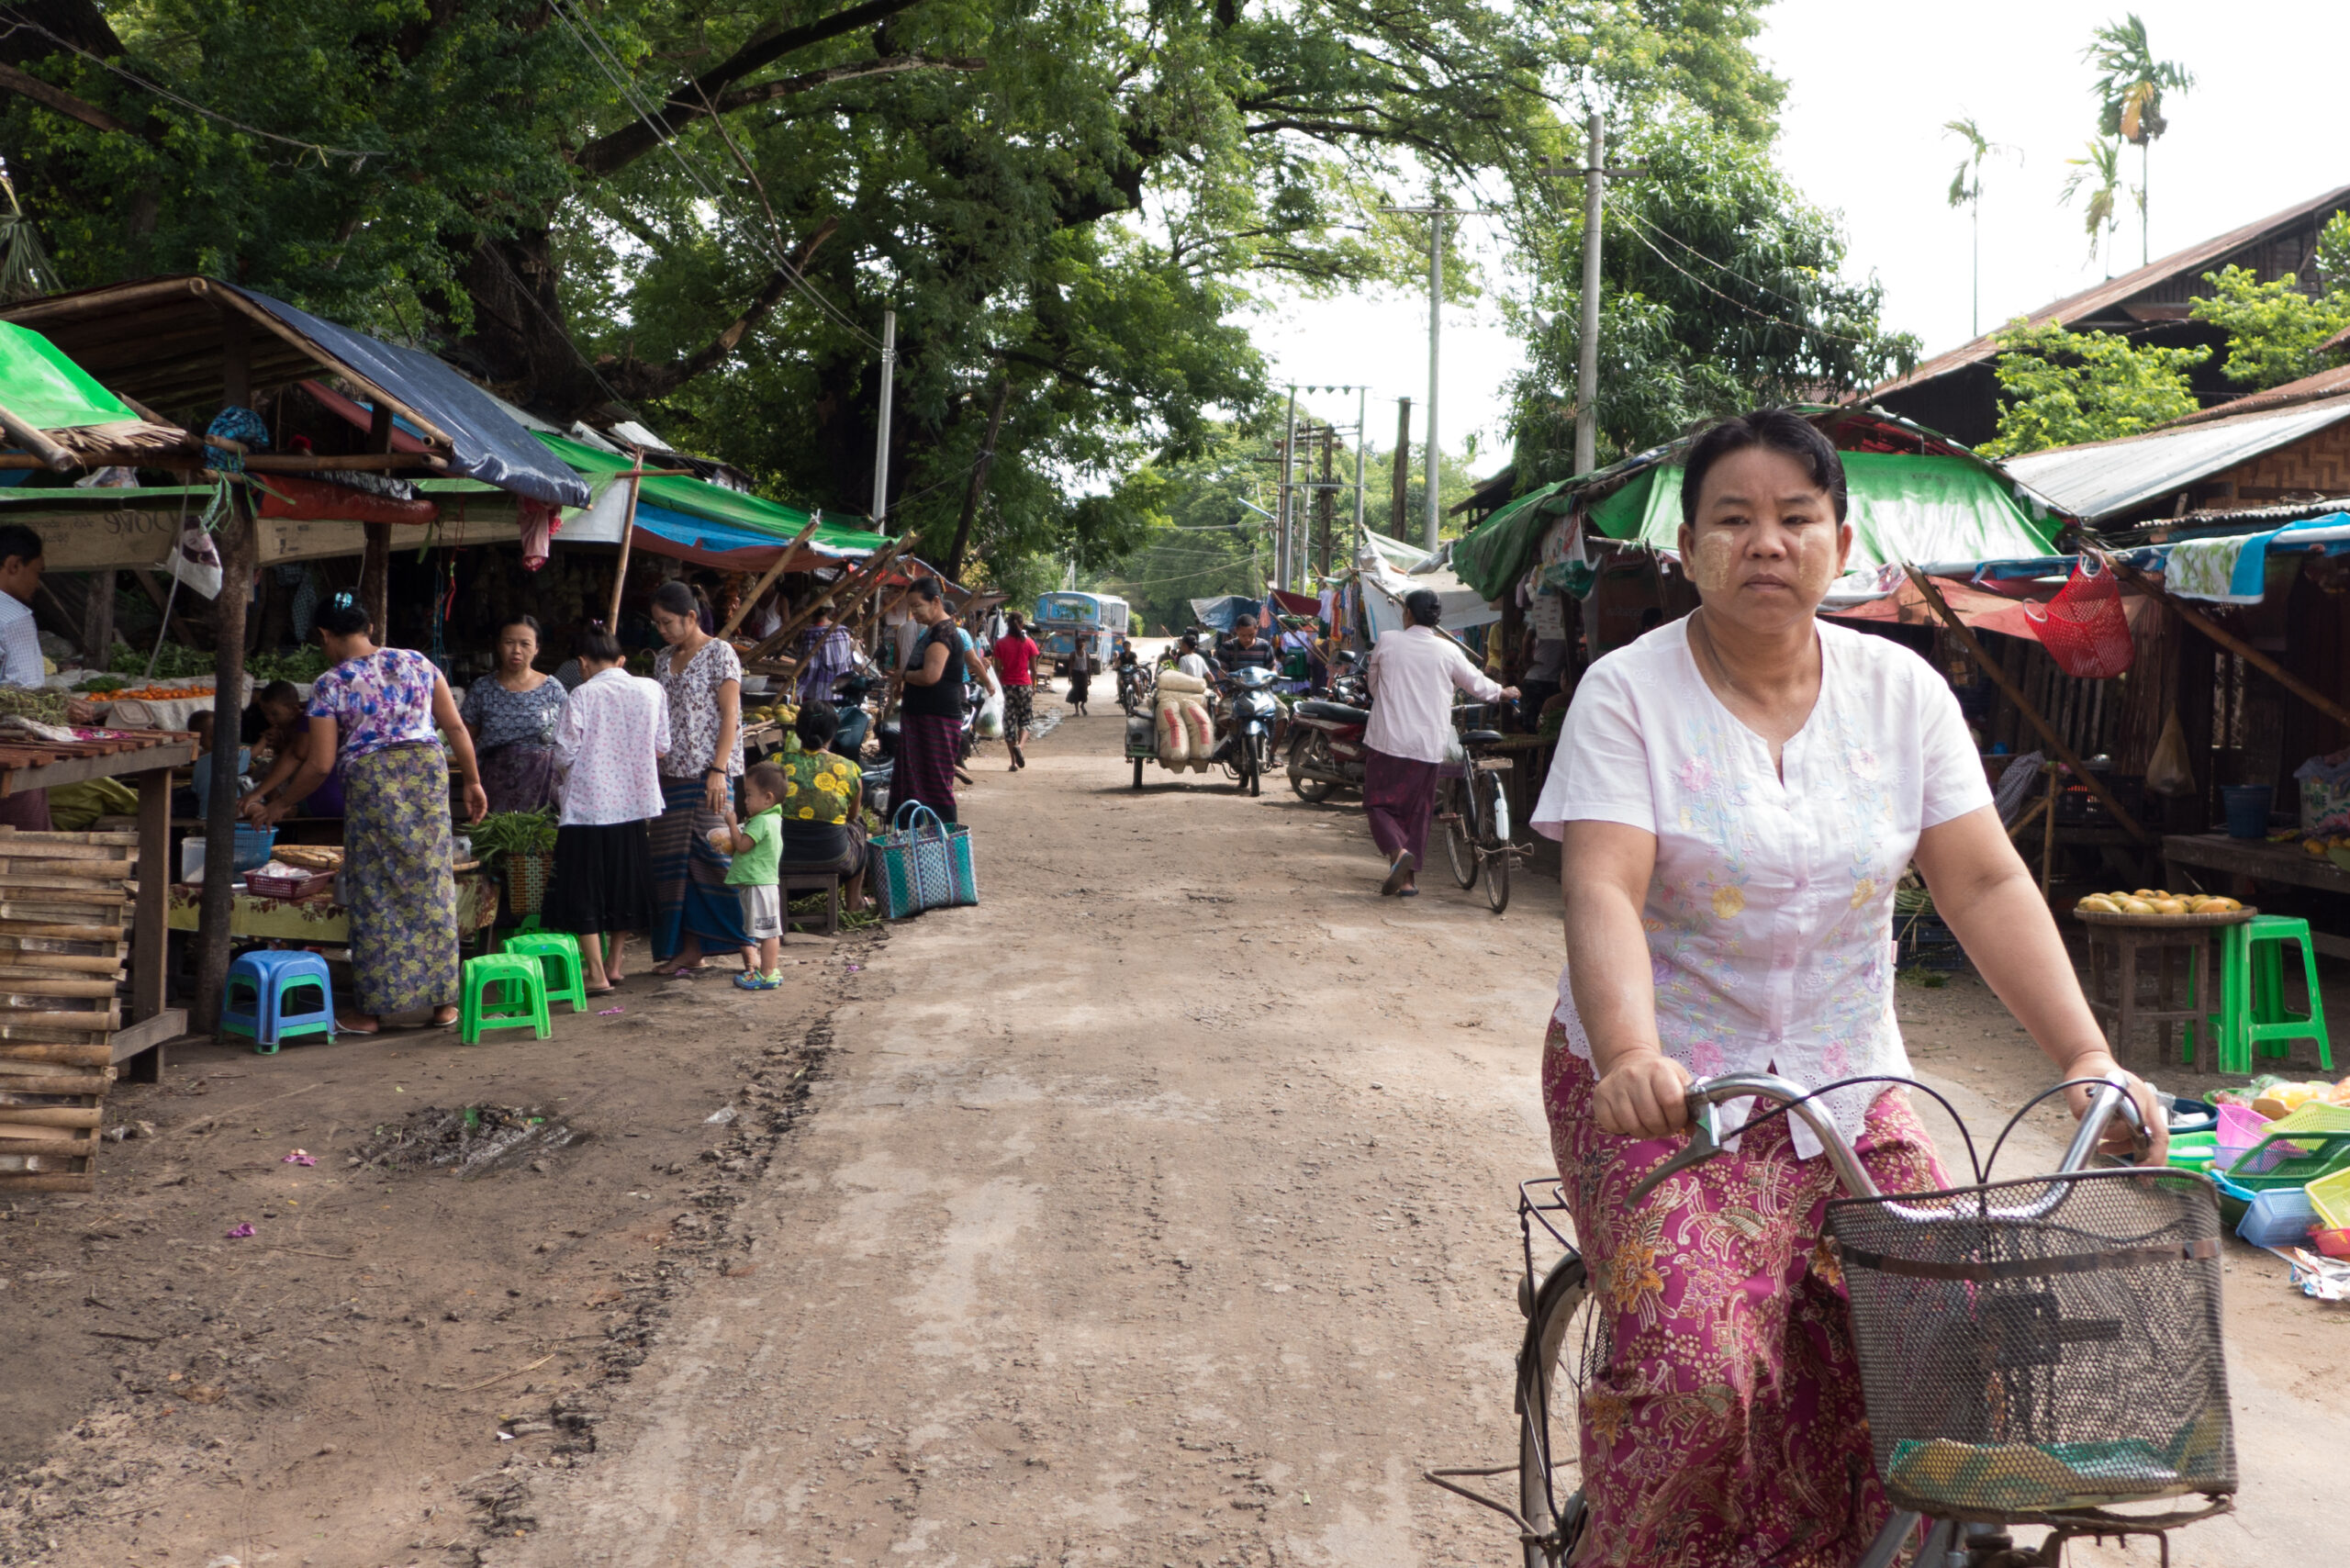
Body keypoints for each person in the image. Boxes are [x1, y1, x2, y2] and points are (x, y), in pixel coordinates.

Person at [1532, 409, 2164, 1567]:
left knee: (1956, 1345)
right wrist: (1629, 1053)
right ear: (1688, 548)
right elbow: (1605, 889)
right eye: (1733, 519)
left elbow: (1978, 879)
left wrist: (2084, 1056)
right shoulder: (1627, 694)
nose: (1765, 542)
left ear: (1842, 539)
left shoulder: (1904, 693)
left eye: (1793, 517)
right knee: (1702, 1381)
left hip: (1847, 1077)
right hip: (1672, 1085)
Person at [254, 596, 487, 1033]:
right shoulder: (418, 662)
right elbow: (453, 727)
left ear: (325, 635)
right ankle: (443, 1005)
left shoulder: (331, 683)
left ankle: (373, 1012)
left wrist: (279, 804)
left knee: (376, 890)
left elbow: (320, 764)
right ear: (368, 626)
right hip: (426, 775)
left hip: (374, 781)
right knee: (432, 882)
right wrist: (472, 781)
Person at [1361, 588, 1515, 897]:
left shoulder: (1388, 641)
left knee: (1378, 804)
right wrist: (1503, 692)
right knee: (1418, 811)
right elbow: (1477, 684)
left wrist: (1389, 703)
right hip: (1428, 746)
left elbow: (1374, 685)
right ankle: (1408, 881)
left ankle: (1397, 854)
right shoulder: (1448, 651)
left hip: (1387, 740)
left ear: (1407, 613)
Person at [543, 624, 666, 993]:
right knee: (624, 883)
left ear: (582, 663)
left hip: (588, 807)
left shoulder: (581, 695)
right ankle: (614, 963)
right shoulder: (651, 689)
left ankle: (596, 973)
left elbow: (564, 753)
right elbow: (662, 746)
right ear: (622, 660)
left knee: (586, 888)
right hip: (633, 803)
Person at [647, 578, 749, 974]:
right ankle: (690, 950)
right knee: (674, 867)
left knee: (716, 859)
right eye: (657, 623)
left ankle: (748, 947)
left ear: (691, 617)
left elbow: (731, 716)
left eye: (668, 622)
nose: (662, 629)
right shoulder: (661, 659)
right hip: (672, 775)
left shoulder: (721, 653)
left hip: (711, 775)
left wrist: (719, 770)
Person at [461, 614, 566, 813]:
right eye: (509, 642)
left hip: (544, 791)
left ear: (536, 649)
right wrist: (470, 779)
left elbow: (569, 739)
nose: (516, 650)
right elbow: (465, 738)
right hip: (495, 787)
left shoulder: (553, 689)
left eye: (525, 644)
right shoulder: (482, 689)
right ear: (499, 646)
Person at [775, 700, 871, 913]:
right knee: (860, 827)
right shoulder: (849, 769)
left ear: (798, 732)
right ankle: (854, 902)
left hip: (780, 857)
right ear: (832, 734)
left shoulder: (775, 764)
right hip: (833, 857)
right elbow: (852, 816)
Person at [895, 578, 966, 823]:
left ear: (936, 602)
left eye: (917, 606)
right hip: (922, 716)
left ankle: (945, 846)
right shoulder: (932, 631)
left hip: (935, 719)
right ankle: (916, 844)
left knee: (935, 785)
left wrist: (903, 675)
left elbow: (930, 675)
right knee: (916, 784)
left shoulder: (943, 632)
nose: (913, 613)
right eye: (911, 607)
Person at [719, 761, 789, 991]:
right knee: (769, 930)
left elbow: (742, 845)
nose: (745, 800)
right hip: (764, 882)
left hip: (759, 884)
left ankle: (767, 973)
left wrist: (731, 825)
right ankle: (769, 971)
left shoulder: (760, 822)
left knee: (768, 932)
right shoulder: (773, 819)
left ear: (768, 798)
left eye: (749, 795)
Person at [238, 681, 346, 821]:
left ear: (294, 710)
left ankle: (280, 809)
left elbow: (296, 755)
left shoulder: (307, 721)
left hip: (322, 798)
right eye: (266, 715)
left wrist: (260, 794)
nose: (270, 719)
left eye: (275, 714)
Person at [991, 613, 1040, 767]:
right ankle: (1020, 747)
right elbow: (1033, 668)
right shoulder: (1029, 643)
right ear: (1022, 624)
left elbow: (998, 668)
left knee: (1009, 723)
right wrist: (1033, 687)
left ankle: (1013, 762)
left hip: (1007, 687)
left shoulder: (1000, 643)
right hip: (1024, 685)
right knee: (1026, 720)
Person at [794, 601, 856, 709]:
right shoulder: (843, 631)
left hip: (818, 694)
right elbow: (847, 662)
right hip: (839, 690)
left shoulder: (812, 634)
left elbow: (811, 667)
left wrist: (797, 690)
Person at [1065, 636, 1093, 716]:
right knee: (1076, 692)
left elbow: (1089, 666)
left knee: (1084, 692)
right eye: (1078, 642)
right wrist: (1069, 676)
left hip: (1084, 674)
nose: (1080, 644)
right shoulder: (1073, 654)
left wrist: (1089, 677)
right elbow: (1070, 666)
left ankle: (1082, 705)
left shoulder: (1086, 654)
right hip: (1076, 674)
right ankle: (1077, 711)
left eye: (1082, 642)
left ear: (1084, 644)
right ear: (1076, 644)